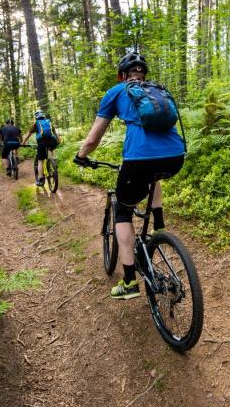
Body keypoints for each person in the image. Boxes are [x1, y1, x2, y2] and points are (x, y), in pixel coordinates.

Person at [74, 52, 185, 300]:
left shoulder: (116, 91)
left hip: (139, 158)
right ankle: (159, 225)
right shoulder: (157, 90)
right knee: (153, 176)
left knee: (123, 211)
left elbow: (93, 139)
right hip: (176, 155)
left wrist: (81, 155)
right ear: (143, 73)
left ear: (121, 75)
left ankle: (129, 282)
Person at [22, 111, 59, 187]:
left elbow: (28, 135)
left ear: (36, 117)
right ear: (44, 116)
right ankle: (54, 162)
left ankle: (41, 179)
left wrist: (23, 143)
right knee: (51, 149)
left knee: (40, 161)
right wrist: (58, 140)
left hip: (42, 142)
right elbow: (55, 133)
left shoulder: (36, 124)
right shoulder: (49, 122)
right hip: (52, 140)